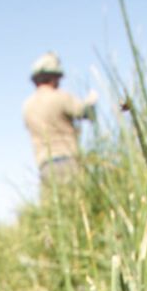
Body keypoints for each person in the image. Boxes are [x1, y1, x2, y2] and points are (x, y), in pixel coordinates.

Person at [22, 51, 97, 189]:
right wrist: (91, 102)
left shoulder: (27, 106)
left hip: (45, 167)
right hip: (69, 162)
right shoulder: (60, 97)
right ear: (53, 77)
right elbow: (84, 112)